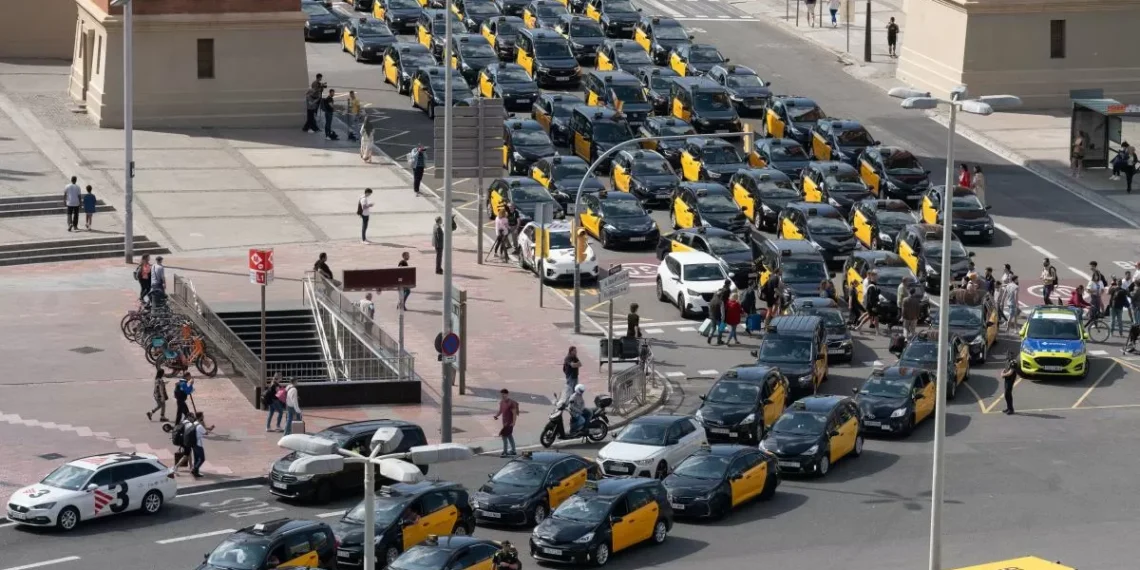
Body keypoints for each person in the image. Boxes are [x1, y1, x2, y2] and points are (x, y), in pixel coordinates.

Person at [493, 389, 519, 457]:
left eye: (504, 394)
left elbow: (514, 413)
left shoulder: (511, 403)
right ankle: (513, 450)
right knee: (509, 436)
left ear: (507, 394)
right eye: (501, 394)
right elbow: (500, 411)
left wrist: (513, 422)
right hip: (504, 423)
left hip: (509, 423)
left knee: (504, 436)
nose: (502, 396)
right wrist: (496, 415)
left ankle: (505, 451)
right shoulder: (502, 402)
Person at [190, 411, 215, 478]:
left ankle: (196, 471)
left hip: (193, 443)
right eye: (202, 415)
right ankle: (195, 469)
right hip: (198, 444)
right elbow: (206, 433)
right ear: (200, 417)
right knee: (202, 458)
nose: (203, 417)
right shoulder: (200, 426)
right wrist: (209, 429)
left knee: (196, 458)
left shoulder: (194, 423)